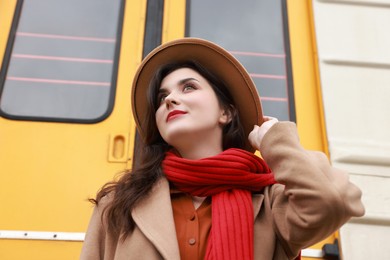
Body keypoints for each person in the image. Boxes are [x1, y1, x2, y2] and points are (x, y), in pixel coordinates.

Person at [80, 38, 364, 260]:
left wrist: (276, 141)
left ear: (226, 113)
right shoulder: (119, 202)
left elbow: (332, 202)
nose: (170, 100)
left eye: (188, 87)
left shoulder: (270, 202)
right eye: (162, 96)